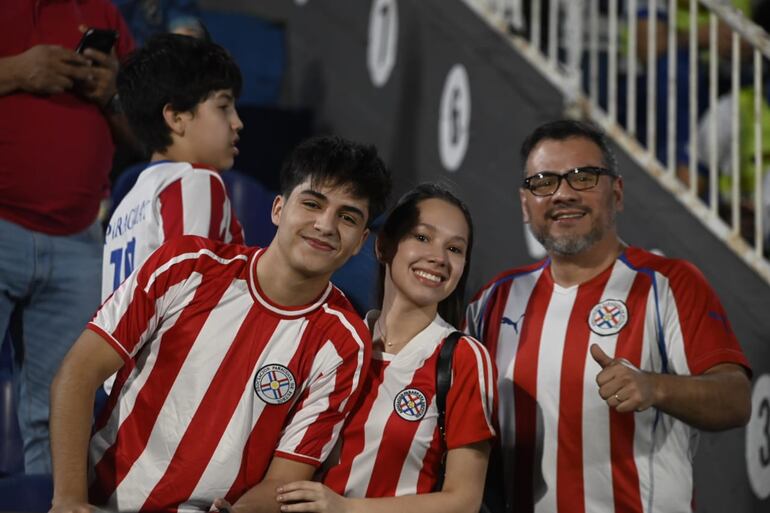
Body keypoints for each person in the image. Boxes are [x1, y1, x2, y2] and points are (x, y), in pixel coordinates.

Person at [48, 135, 392, 512]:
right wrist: (68, 501)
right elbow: (78, 372)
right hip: (100, 501)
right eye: (312, 203)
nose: (326, 225)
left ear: (360, 241)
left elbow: (284, 482)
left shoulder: (345, 343)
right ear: (278, 208)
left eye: (347, 217)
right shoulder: (187, 265)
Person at [465, 120, 752, 513]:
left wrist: (656, 388)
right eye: (544, 181)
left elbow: (736, 399)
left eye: (583, 177)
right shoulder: (492, 300)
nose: (563, 194)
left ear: (616, 193)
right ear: (524, 204)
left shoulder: (668, 283)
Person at [276, 184, 497, 513]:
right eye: (422, 238)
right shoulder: (337, 341)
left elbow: (463, 501)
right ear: (383, 246)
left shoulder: (463, 358)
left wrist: (347, 509)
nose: (438, 257)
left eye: (454, 249)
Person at [0, 0, 135, 473]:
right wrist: (14, 72)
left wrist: (112, 94)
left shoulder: (104, 12)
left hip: (79, 239)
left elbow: (143, 133)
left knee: (58, 416)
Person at [102, 33, 244, 303]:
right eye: (224, 107)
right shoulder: (196, 180)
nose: (237, 122)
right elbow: (188, 302)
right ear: (176, 117)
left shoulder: (124, 209)